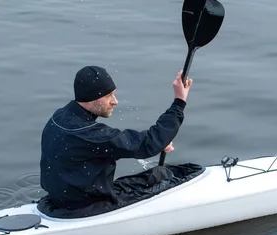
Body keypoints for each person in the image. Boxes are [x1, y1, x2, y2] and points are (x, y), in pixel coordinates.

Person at [38, 65, 194, 218]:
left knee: (160, 174)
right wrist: (179, 102)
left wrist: (159, 142)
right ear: (91, 97)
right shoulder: (90, 134)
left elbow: (98, 146)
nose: (115, 101)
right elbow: (148, 144)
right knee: (168, 179)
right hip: (85, 209)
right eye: (108, 96)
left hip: (58, 201)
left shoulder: (58, 118)